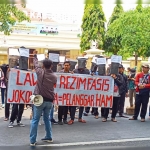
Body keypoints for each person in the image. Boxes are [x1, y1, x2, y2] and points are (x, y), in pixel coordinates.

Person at [30, 50, 57, 146]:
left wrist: (35, 56)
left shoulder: (40, 73)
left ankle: (33, 140)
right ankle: (49, 137)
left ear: (43, 66)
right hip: (49, 101)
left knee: (35, 120)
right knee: (47, 119)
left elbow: (36, 64)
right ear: (52, 66)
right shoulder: (54, 76)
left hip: (39, 100)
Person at [68, 59, 90, 125]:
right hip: (75, 90)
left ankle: (80, 117)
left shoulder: (87, 71)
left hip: (83, 90)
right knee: (73, 105)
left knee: (82, 104)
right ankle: (72, 118)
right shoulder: (75, 71)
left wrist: (92, 76)